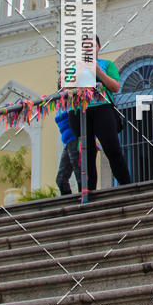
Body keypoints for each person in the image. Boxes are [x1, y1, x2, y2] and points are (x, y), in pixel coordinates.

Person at [68, 35, 131, 191]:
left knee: (112, 148)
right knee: (86, 153)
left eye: (92, 45)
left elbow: (115, 87)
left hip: (102, 108)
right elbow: (66, 90)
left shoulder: (106, 64)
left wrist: (97, 71)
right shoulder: (73, 67)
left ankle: (127, 187)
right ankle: (89, 192)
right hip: (79, 111)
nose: (89, 49)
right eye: (85, 46)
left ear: (98, 47)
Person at [55, 108, 81, 195]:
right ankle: (69, 201)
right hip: (68, 142)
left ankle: (83, 197)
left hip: (75, 139)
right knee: (60, 179)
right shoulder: (58, 103)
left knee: (79, 173)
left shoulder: (73, 101)